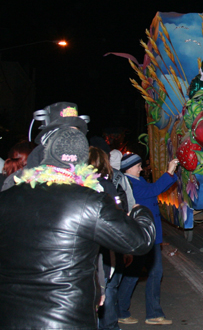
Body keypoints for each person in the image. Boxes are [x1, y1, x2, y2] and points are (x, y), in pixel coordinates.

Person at [0, 126, 156, 329]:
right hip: (66, 319)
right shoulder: (90, 201)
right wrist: (140, 212)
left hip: (10, 317)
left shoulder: (7, 197)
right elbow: (139, 241)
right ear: (83, 161)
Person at [117, 153, 179, 326]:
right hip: (142, 235)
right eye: (137, 165)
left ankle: (149, 313)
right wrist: (169, 172)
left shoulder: (138, 181)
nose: (141, 168)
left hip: (150, 235)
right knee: (139, 274)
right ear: (129, 168)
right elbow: (152, 191)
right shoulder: (129, 184)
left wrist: (171, 174)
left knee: (149, 273)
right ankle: (126, 311)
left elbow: (152, 189)